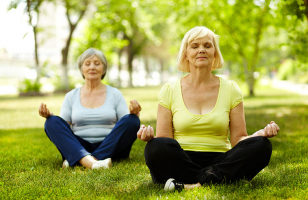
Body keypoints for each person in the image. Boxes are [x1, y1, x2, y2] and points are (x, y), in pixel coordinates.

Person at [137, 26, 280, 191]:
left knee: (262, 145)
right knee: (155, 147)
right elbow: (165, 140)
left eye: (207, 45)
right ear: (186, 54)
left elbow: (238, 139)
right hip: (182, 159)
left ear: (215, 53)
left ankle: (192, 184)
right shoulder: (169, 90)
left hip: (219, 159)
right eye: (195, 46)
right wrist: (151, 139)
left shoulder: (231, 89)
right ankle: (220, 178)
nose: (201, 50)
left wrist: (259, 135)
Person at [39, 48, 141, 170]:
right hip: (79, 145)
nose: (92, 67)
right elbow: (64, 130)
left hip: (110, 146)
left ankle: (79, 160)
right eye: (87, 64)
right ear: (81, 69)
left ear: (104, 68)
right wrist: (50, 116)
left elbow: (126, 127)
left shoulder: (115, 94)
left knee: (133, 120)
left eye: (97, 64)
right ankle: (93, 163)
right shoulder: (71, 96)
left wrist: (135, 114)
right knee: (52, 122)